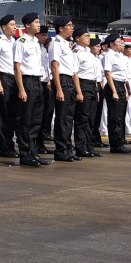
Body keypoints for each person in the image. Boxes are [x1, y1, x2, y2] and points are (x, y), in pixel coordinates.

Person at [13, 13, 48, 167]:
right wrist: (21, 89)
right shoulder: (21, 42)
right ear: (27, 25)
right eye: (36, 22)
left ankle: (34, 153)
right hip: (26, 81)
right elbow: (17, 67)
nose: (39, 24)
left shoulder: (36, 42)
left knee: (36, 121)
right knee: (25, 120)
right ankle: (25, 154)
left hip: (37, 81)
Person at [48, 16, 81, 162]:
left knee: (68, 117)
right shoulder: (56, 43)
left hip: (69, 80)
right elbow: (54, 66)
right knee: (62, 117)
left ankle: (68, 148)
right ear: (61, 28)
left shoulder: (66, 44)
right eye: (69, 25)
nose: (72, 28)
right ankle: (60, 150)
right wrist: (59, 89)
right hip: (62, 80)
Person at [0, 14, 20, 158]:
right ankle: (5, 147)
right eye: (12, 25)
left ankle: (10, 145)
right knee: (4, 114)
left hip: (14, 79)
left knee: (13, 114)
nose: (15, 27)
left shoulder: (14, 41)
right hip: (4, 78)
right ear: (3, 27)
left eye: (15, 24)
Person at [71, 28, 101, 159]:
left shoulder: (89, 52)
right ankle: (80, 147)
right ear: (77, 38)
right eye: (86, 36)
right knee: (82, 118)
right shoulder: (76, 52)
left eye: (89, 36)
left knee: (91, 118)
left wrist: (96, 89)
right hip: (83, 85)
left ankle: (89, 146)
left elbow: (93, 73)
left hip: (92, 85)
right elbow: (75, 73)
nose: (88, 38)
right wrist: (78, 91)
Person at [102, 33, 131, 154]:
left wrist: (125, 89)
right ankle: (115, 145)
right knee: (114, 117)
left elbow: (123, 75)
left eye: (121, 42)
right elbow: (108, 73)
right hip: (113, 85)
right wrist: (114, 91)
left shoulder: (119, 56)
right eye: (118, 42)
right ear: (111, 43)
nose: (121, 44)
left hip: (120, 85)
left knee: (120, 116)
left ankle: (120, 142)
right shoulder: (109, 55)